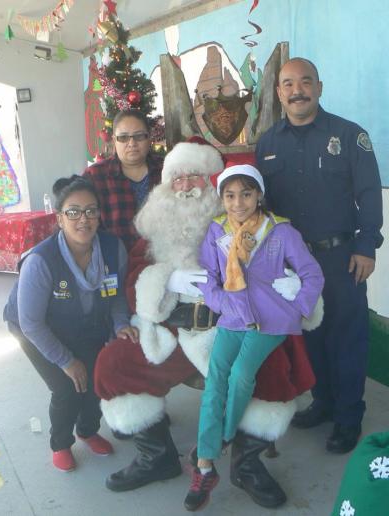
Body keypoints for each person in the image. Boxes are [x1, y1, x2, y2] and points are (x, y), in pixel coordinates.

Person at [94, 140, 321, 507]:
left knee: (276, 370)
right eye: (177, 178)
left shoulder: (250, 227)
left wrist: (299, 289)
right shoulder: (154, 229)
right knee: (113, 365)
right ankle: (157, 458)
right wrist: (165, 280)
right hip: (171, 330)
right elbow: (135, 277)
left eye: (195, 176)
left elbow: (284, 265)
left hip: (233, 325)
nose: (186, 185)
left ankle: (245, 465)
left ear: (211, 183)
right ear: (166, 186)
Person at [256, 57, 384, 454]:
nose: (298, 90)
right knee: (311, 338)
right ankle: (324, 403)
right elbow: (265, 207)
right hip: (295, 263)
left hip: (342, 257)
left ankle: (348, 417)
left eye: (306, 82)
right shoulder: (268, 143)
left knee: (347, 338)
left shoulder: (349, 136)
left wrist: (367, 247)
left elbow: (369, 193)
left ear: (320, 87)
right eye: (289, 84)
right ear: (279, 93)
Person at [183, 164, 324, 511]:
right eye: (229, 195)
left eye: (246, 193)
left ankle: (219, 440)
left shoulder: (280, 231)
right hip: (232, 318)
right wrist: (221, 302)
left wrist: (298, 302)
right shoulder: (217, 231)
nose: (238, 202)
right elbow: (207, 278)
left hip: (271, 320)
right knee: (216, 378)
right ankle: (205, 467)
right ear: (222, 198)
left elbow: (312, 273)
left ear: (259, 194)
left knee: (242, 373)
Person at [3, 175, 138, 472]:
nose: (83, 219)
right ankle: (61, 444)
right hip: (34, 328)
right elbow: (31, 322)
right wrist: (66, 360)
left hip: (83, 322)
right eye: (73, 212)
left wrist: (120, 325)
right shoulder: (41, 260)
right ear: (60, 218)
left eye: (91, 210)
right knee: (66, 386)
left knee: (94, 379)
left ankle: (87, 431)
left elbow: (114, 295)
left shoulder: (112, 248)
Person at [83, 109, 163, 250]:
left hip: (165, 259)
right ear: (114, 140)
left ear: (149, 138)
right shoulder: (95, 176)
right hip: (116, 261)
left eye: (139, 136)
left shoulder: (166, 169)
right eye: (123, 137)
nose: (132, 143)